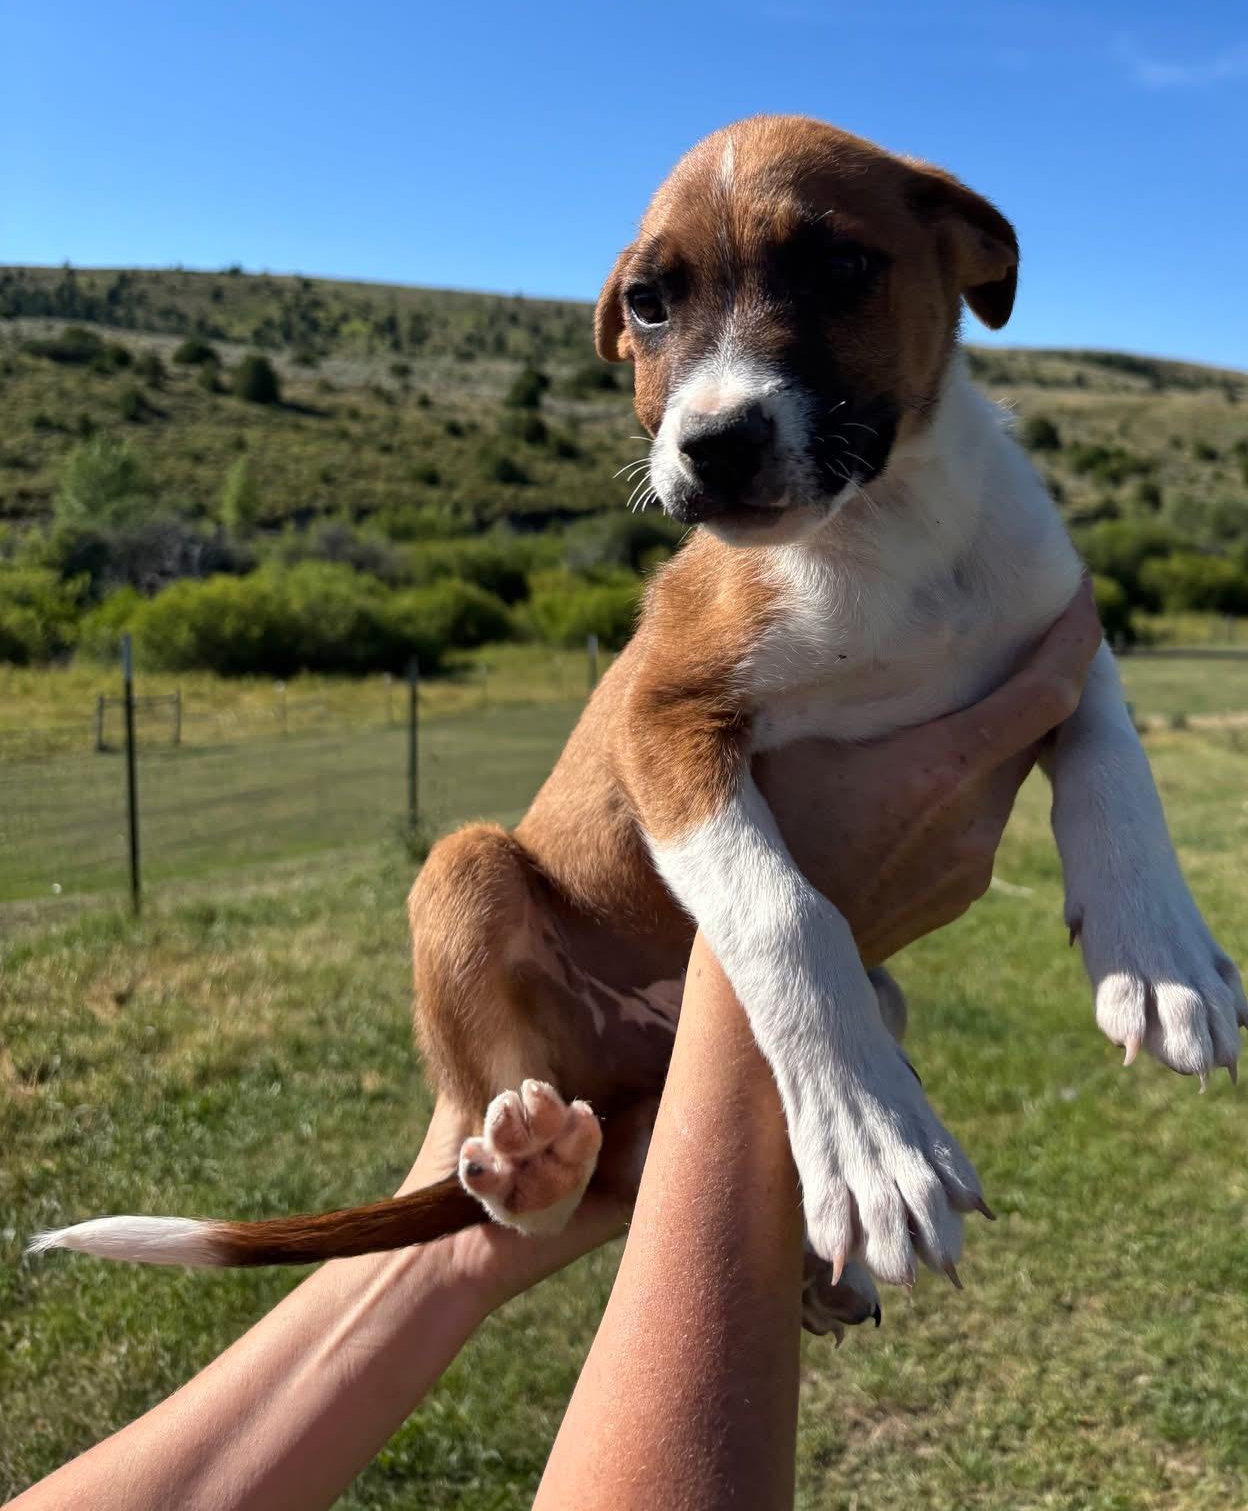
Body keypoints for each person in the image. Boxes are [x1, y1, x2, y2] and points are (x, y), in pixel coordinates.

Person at [15, 581, 1103, 1511]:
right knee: (462, 874)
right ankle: (548, 1139)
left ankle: (626, 1171)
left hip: (662, 1024)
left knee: (862, 1002)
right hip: (581, 953)